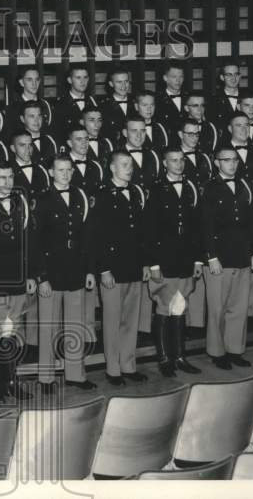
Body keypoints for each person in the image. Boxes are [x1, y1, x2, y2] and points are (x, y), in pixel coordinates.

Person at [33, 154, 96, 392]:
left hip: (76, 270)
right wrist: (41, 276)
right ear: (51, 172)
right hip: (51, 271)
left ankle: (76, 375)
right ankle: (46, 378)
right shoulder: (42, 199)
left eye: (69, 170)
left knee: (75, 325)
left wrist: (90, 270)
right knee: (48, 326)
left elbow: (88, 237)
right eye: (61, 170)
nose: (66, 174)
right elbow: (36, 242)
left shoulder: (81, 196)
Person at [90, 152, 150, 386]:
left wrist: (145, 262)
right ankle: (112, 368)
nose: (129, 168)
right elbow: (97, 235)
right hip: (113, 268)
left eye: (131, 165)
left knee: (130, 321)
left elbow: (142, 233)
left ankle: (128, 364)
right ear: (112, 168)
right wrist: (103, 269)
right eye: (124, 165)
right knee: (112, 321)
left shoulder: (135, 192)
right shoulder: (101, 195)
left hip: (133, 265)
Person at [143, 148, 203, 377]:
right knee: (164, 307)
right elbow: (149, 229)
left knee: (180, 306)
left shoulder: (191, 188)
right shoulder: (157, 190)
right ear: (165, 164)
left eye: (181, 160)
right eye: (174, 161)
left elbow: (197, 227)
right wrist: (154, 264)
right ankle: (164, 358)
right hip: (165, 258)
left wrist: (198, 259)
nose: (178, 164)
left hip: (185, 258)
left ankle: (180, 356)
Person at [200, 147, 253, 370]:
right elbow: (205, 226)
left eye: (235, 160)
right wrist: (211, 257)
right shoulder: (209, 188)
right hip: (220, 257)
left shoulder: (245, 185)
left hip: (242, 255)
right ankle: (217, 352)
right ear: (216, 163)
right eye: (226, 160)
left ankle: (235, 349)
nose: (232, 164)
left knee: (239, 307)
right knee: (217, 308)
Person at [0, 165, 36, 403]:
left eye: (11, 176)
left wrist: (32, 274)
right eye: (2, 177)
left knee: (13, 330)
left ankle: (12, 380)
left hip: (17, 277)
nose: (7, 180)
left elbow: (28, 241)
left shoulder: (20, 201)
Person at [50, 65, 99, 142]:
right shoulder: (59, 105)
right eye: (78, 78)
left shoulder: (94, 102)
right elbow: (57, 134)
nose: (82, 81)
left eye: (85, 77)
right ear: (70, 80)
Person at [2, 66, 52, 139]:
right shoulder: (13, 108)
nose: (34, 84)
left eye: (37, 80)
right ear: (21, 82)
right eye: (29, 80)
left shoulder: (46, 105)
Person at [9, 131, 52, 200]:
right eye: (22, 145)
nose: (28, 149)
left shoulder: (42, 169)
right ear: (13, 148)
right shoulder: (7, 171)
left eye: (30, 145)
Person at [224, 112, 253, 179]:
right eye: (239, 125)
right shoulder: (222, 152)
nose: (244, 129)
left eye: (246, 125)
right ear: (230, 129)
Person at [122, 116, 161, 189]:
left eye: (142, 131)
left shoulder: (154, 155)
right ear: (125, 133)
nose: (139, 135)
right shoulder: (116, 157)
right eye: (134, 131)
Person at [66, 127, 105, 197]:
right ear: (70, 143)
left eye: (86, 139)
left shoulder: (96, 166)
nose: (84, 143)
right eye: (79, 139)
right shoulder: (61, 165)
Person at [208, 63, 243, 132]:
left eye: (236, 74)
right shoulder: (213, 100)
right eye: (229, 75)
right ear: (222, 77)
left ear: (240, 76)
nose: (233, 78)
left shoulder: (247, 97)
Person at [99, 67, 133, 139]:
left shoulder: (136, 102)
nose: (123, 86)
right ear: (111, 84)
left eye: (126, 81)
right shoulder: (103, 106)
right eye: (119, 82)